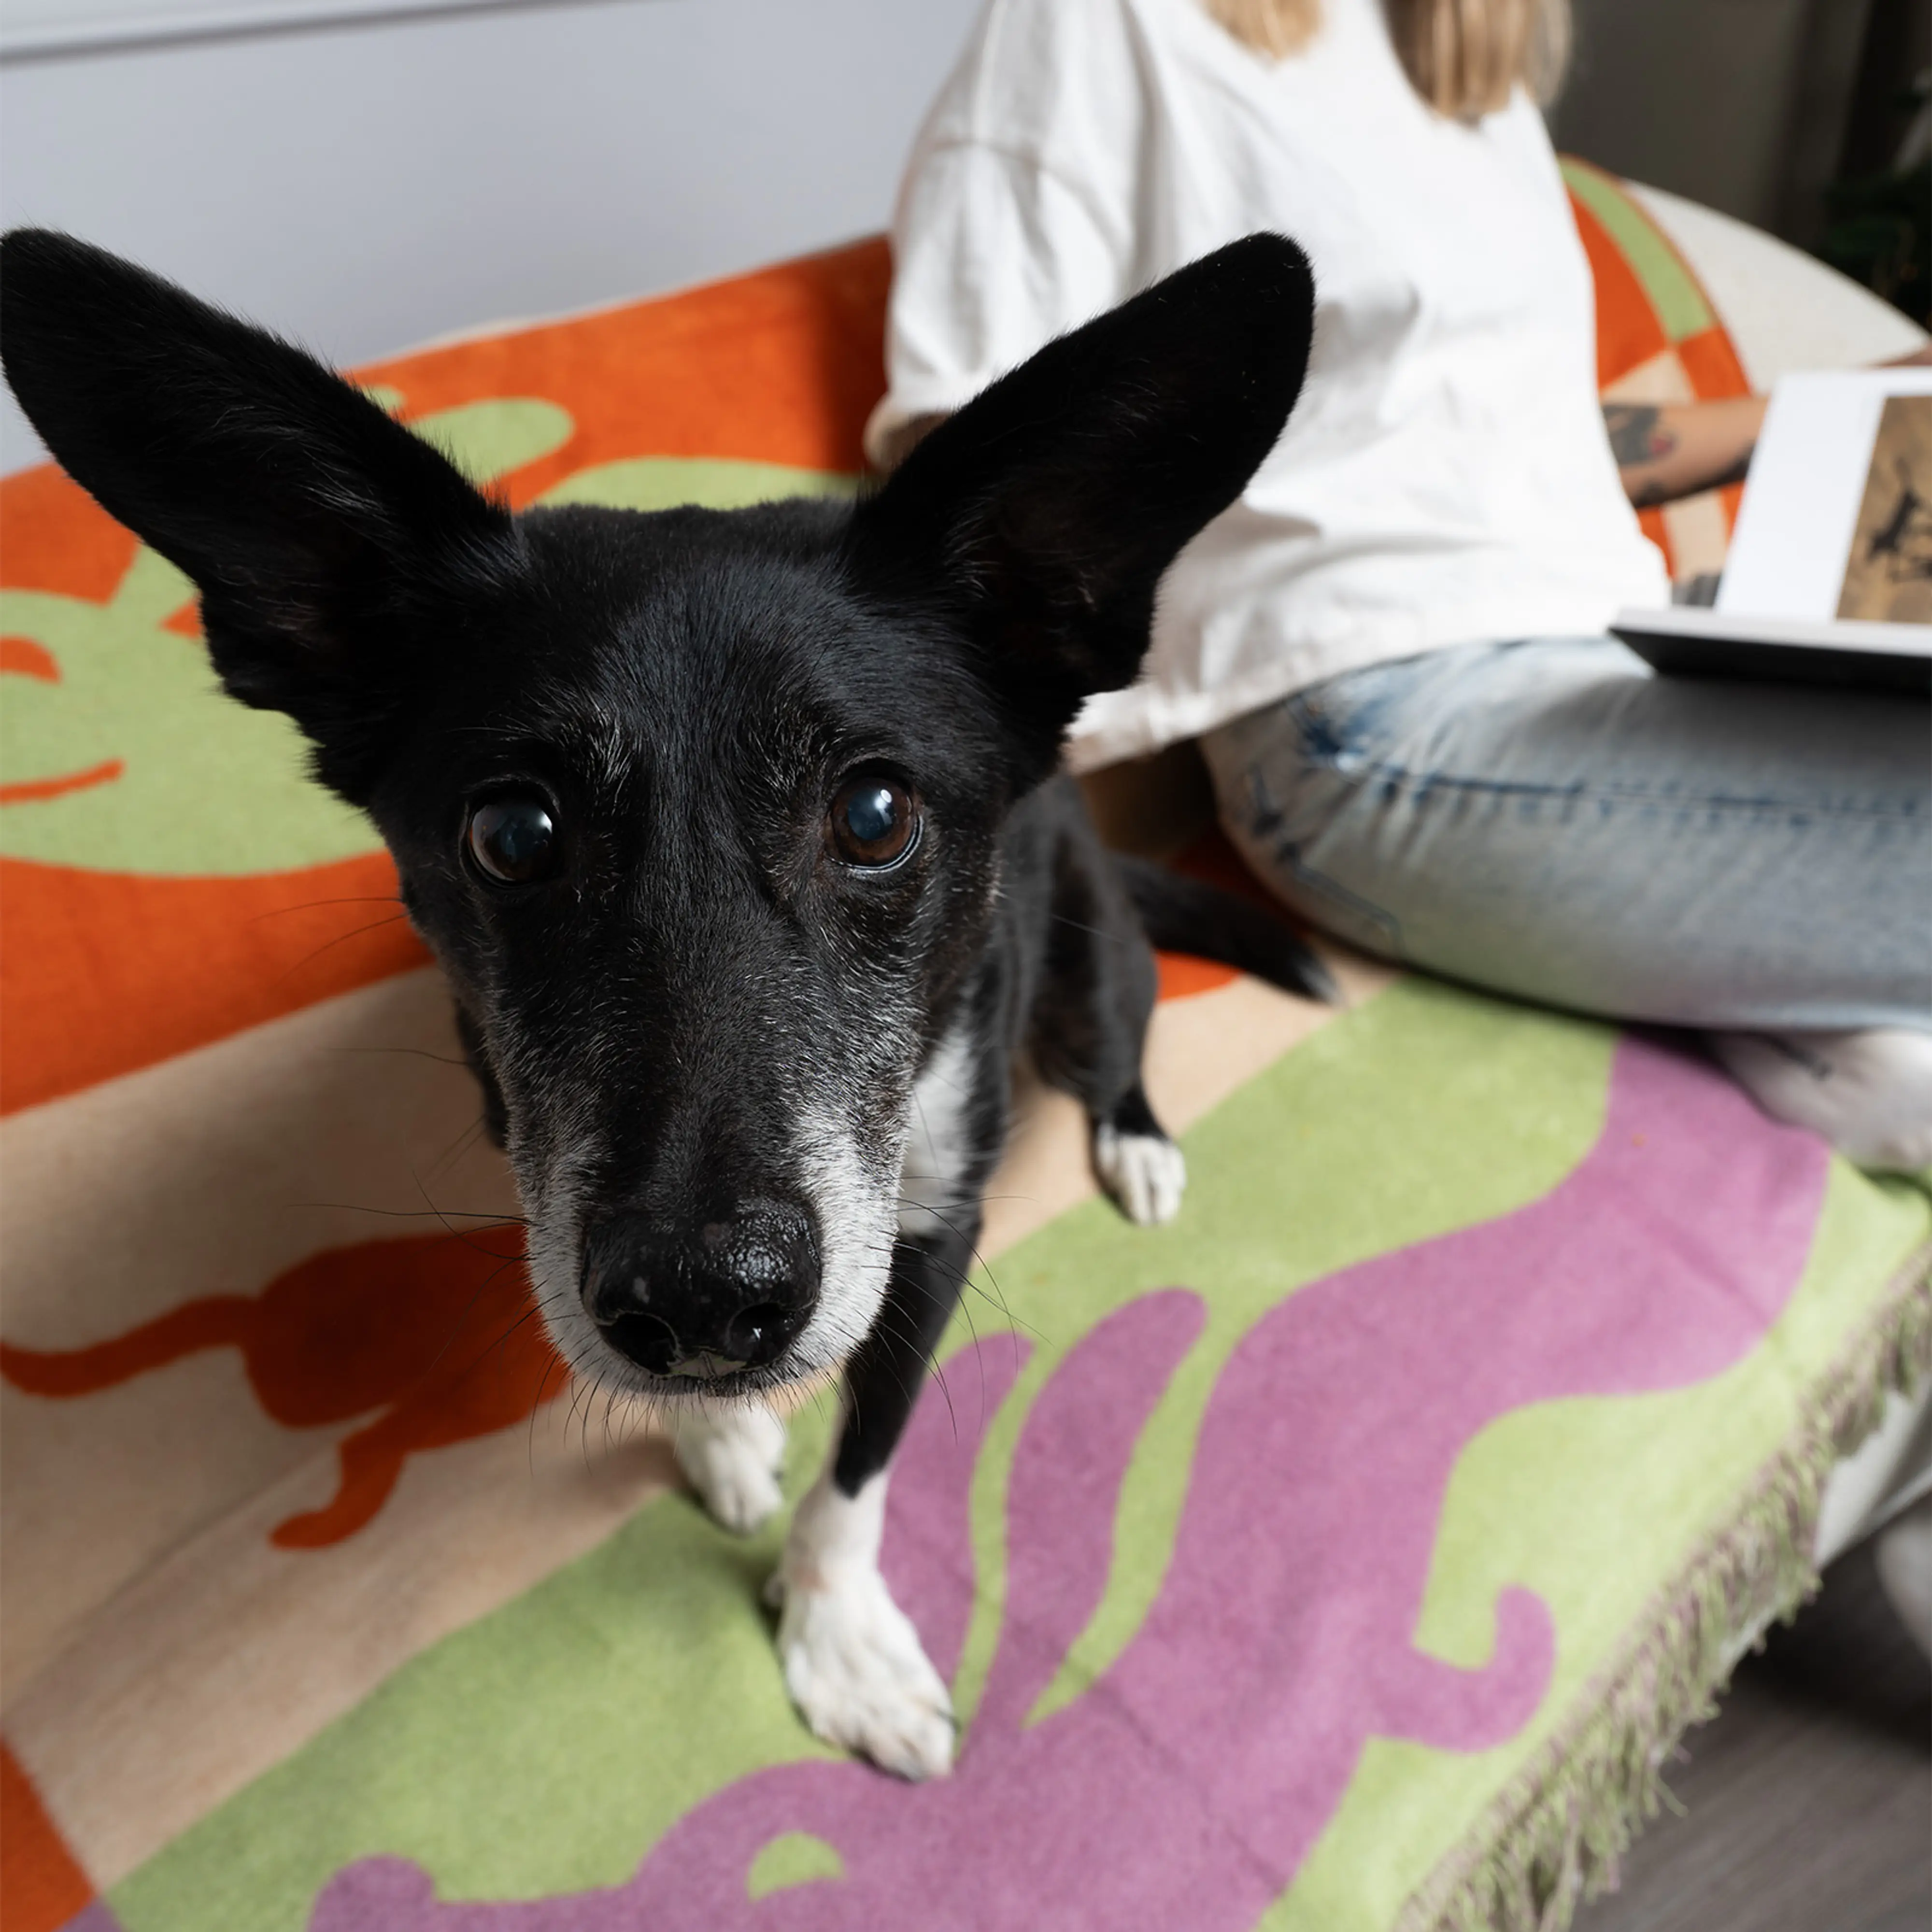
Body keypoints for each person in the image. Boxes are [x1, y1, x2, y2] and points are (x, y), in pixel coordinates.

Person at [866, 0, 1932, 1170]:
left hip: (1619, 642)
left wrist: (1845, 409)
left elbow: (1498, 443)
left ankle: (1818, 1021)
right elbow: (963, 471)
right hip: (1379, 712)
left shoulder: (1469, 72)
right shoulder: (1106, 23)